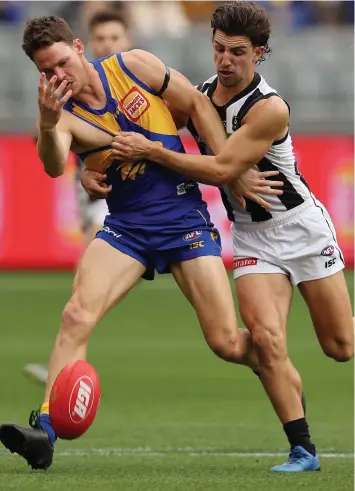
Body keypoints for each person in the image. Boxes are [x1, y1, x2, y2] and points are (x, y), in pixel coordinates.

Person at [0, 14, 283, 471]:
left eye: (59, 63)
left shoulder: (133, 66)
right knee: (76, 314)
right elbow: (53, 166)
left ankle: (276, 365)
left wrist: (228, 167)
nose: (56, 76)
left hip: (182, 217)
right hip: (127, 227)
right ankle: (45, 432)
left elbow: (195, 103)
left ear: (77, 46)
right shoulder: (63, 114)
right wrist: (50, 125)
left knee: (227, 342)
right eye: (45, 72)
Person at [94, 1, 354, 473]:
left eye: (237, 52)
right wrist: (91, 167)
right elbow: (142, 130)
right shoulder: (200, 97)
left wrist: (153, 150)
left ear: (259, 53)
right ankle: (302, 449)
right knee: (266, 339)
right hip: (252, 237)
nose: (225, 60)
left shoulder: (269, 109)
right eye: (218, 49)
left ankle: (290, 387)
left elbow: (220, 169)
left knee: (341, 347)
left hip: (301, 230)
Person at [23, 11, 133, 385]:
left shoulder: (133, 78)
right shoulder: (66, 91)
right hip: (105, 194)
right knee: (83, 298)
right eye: (102, 38)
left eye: (115, 38)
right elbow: (49, 142)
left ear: (126, 41)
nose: (108, 45)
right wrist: (81, 166)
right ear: (88, 42)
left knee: (84, 297)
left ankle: (65, 363)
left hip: (150, 200)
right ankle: (67, 368)